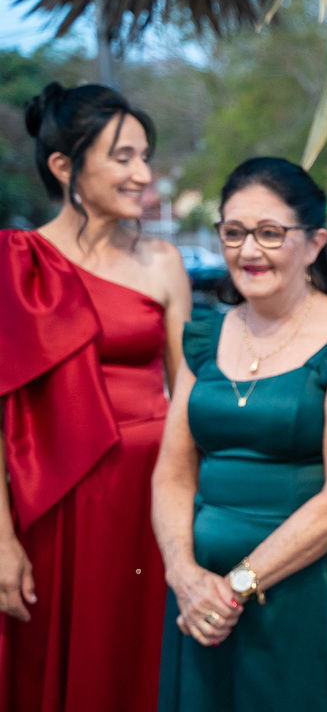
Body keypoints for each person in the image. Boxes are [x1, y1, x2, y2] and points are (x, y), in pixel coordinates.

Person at [151, 157, 327, 712]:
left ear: (313, 243)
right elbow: (172, 471)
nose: (248, 250)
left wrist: (237, 586)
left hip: (304, 590)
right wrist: (184, 575)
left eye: (269, 233)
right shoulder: (205, 339)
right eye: (233, 233)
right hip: (200, 599)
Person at [0, 82, 192, 712]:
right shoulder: (15, 264)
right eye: (122, 157)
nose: (143, 174)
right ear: (64, 167)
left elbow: (187, 391)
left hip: (150, 500)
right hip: (50, 508)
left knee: (138, 664)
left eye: (145, 156)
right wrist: (0, 540)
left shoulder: (163, 262)